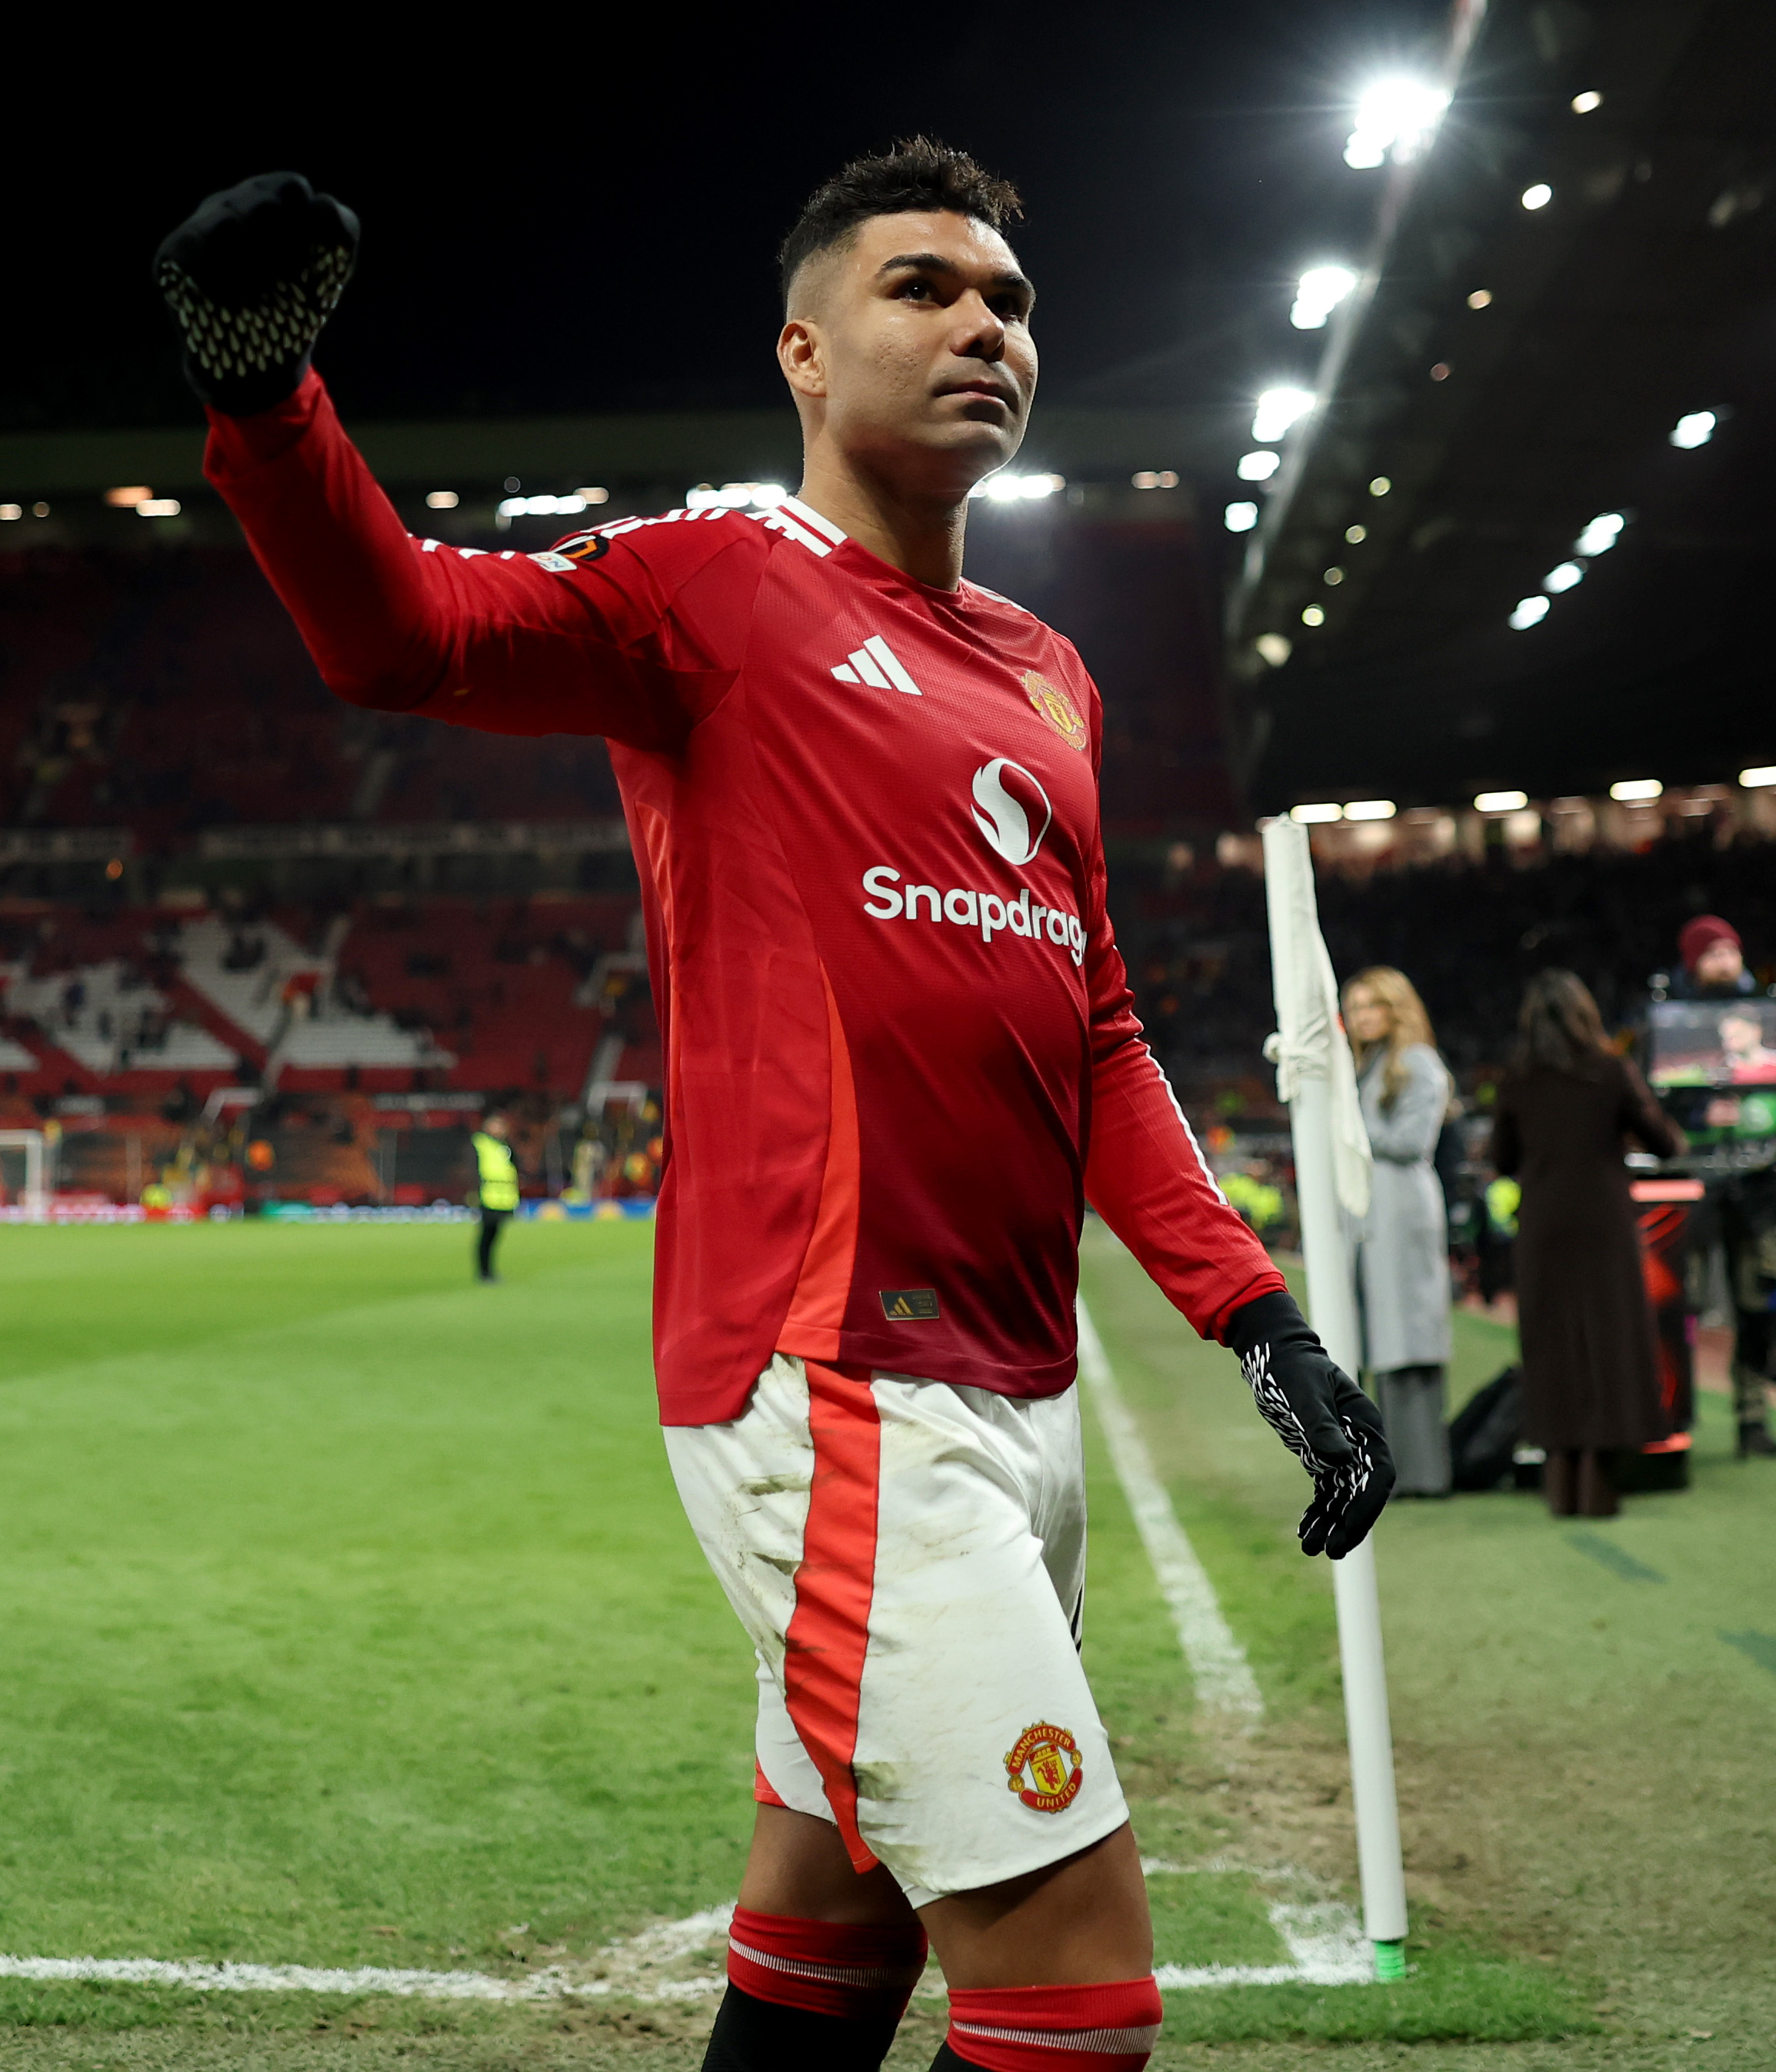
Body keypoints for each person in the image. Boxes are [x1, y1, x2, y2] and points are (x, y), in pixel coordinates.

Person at [158, 145, 1391, 2072]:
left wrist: (1262, 1316)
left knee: (831, 1930)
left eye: (1011, 301)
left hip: (1010, 1389)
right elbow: (402, 636)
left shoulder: (1052, 681)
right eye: (927, 289)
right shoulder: (716, 584)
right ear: (805, 349)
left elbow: (1102, 1032)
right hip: (835, 1383)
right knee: (1077, 1988)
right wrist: (266, 397)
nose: (987, 324)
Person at [1489, 970, 1685, 1519]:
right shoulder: (1609, 1071)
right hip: (1604, 1227)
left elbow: (1503, 1159)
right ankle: (1601, 1484)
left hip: (1544, 1226)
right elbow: (1665, 1142)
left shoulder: (1517, 1079)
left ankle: (1561, 1485)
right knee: (1610, 1344)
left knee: (1551, 1347)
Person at [1656, 916, 1776, 1461]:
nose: (1723, 963)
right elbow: (1656, 1095)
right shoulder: (1672, 1021)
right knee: (1678, 1306)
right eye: (1711, 954)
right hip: (1689, 1186)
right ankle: (1675, 1412)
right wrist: (1697, 1111)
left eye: (1729, 952)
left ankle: (1754, 1418)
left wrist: (1754, 1112)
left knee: (1756, 1305)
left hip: (1756, 1187)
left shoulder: (1769, 1016)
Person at [1343, 968, 1454, 1497]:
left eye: (1372, 1005)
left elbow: (1410, 1140)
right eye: (1356, 1006)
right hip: (1370, 1216)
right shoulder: (1370, 1067)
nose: (1362, 1016)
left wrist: (1349, 1119)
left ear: (1395, 1009)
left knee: (1407, 1336)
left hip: (1402, 1209)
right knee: (1377, 1334)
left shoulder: (1417, 1064)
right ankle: (1386, 1468)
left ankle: (1422, 1473)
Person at [471, 1111, 518, 1282]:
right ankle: (484, 1272)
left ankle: (489, 1272)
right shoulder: (480, 1143)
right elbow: (472, 1167)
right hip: (488, 1196)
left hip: (503, 1199)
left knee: (494, 1236)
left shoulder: (505, 1147)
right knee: (486, 1236)